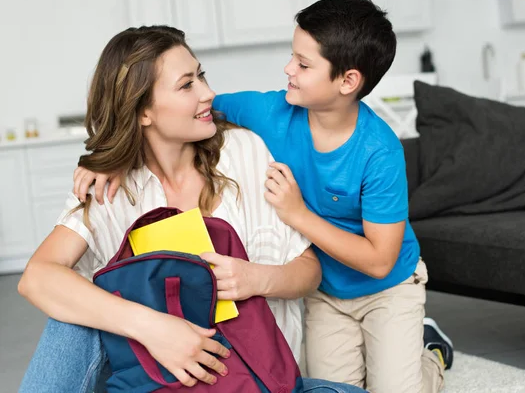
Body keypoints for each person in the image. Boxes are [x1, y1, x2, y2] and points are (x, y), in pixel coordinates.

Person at [18, 25, 367, 393]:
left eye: (201, 75)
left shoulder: (243, 152)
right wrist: (155, 329)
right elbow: (37, 278)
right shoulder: (107, 185)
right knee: (72, 317)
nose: (208, 93)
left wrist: (254, 279)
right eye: (187, 85)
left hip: (255, 377)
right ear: (142, 113)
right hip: (158, 380)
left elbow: (308, 271)